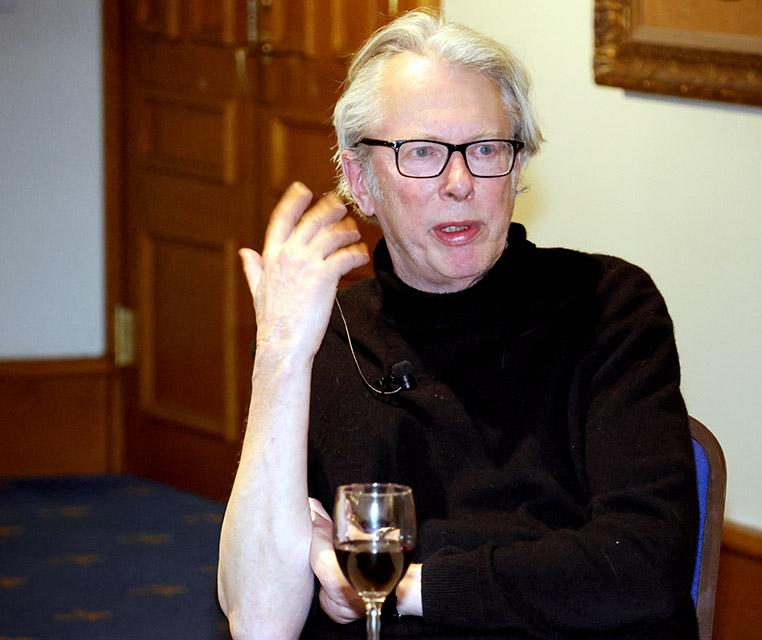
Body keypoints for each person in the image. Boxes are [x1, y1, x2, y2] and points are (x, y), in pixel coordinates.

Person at [217, 9, 698, 640]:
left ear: (519, 168)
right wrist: (279, 354)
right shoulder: (321, 338)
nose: (460, 181)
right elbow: (257, 622)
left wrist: (401, 585)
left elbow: (638, 564)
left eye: (486, 149)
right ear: (360, 179)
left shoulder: (607, 306)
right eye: (421, 152)